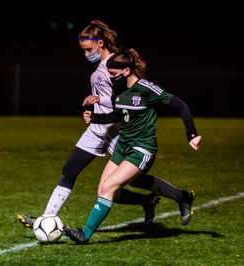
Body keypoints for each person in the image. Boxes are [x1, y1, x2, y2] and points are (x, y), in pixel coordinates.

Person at [18, 20, 191, 229]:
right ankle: (46, 218)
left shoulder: (114, 65)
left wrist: (100, 101)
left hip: (118, 131)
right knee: (69, 170)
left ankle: (176, 197)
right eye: (83, 51)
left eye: (89, 50)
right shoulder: (101, 67)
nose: (86, 55)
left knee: (134, 181)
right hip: (97, 129)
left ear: (100, 43)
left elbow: (126, 99)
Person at [63, 48, 201, 244]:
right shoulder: (119, 90)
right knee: (107, 190)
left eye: (113, 74)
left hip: (142, 149)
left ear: (127, 71)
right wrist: (95, 117)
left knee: (109, 187)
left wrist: (192, 135)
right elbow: (120, 115)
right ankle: (181, 197)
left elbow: (180, 105)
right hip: (122, 147)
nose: (110, 79)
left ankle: (84, 235)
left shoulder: (146, 89)